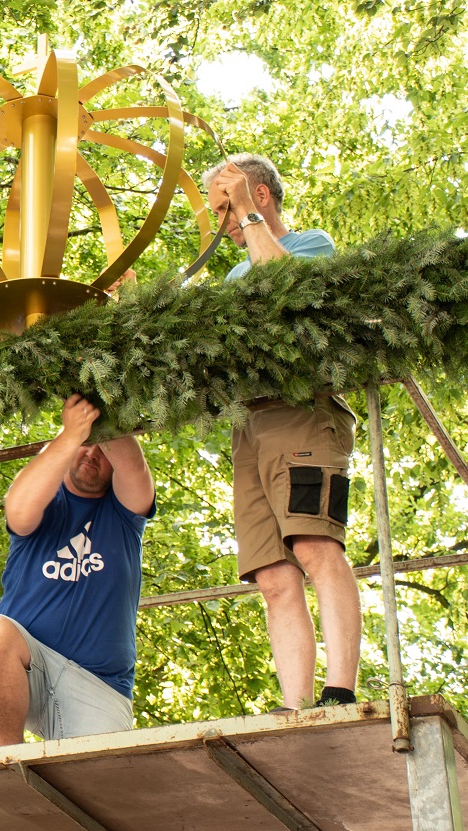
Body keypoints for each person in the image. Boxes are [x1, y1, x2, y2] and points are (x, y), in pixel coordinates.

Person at [204, 153, 361, 711]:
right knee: (271, 573)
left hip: (301, 412)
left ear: (259, 195)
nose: (220, 223)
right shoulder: (232, 277)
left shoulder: (311, 245)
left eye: (223, 207)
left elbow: (289, 293)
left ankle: (340, 691)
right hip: (248, 425)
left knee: (315, 545)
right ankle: (294, 705)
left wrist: (247, 214)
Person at [0, 394, 155, 746]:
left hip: (99, 686)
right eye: (85, 444)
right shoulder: (43, 505)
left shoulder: (126, 514)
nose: (92, 453)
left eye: (102, 447)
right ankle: (7, 761)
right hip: (27, 669)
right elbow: (18, 507)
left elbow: (134, 468)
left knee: (102, 777)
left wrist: (98, 401)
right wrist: (71, 434)